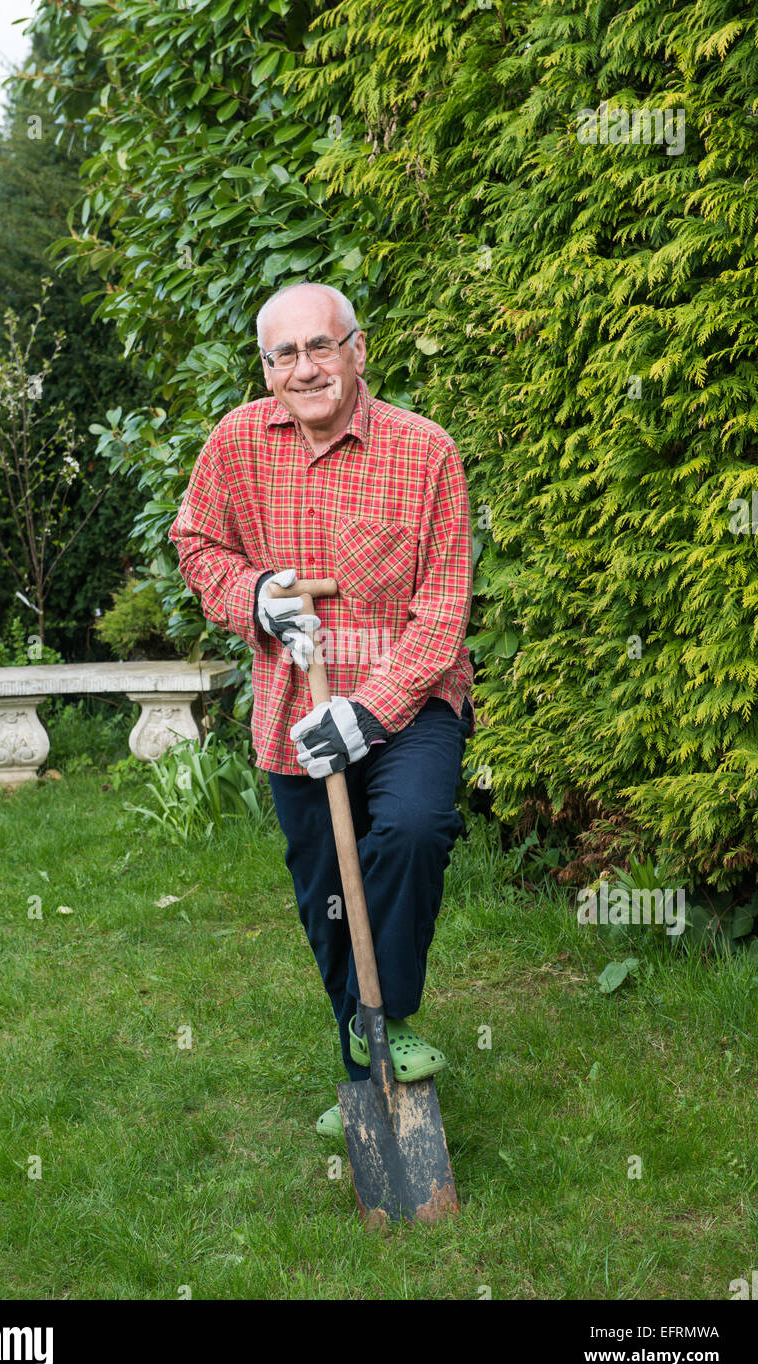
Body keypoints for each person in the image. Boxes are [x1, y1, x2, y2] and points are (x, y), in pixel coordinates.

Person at [168, 281, 475, 1136]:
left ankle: (385, 1021)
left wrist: (369, 713)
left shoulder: (426, 454)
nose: (304, 368)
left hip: (410, 700)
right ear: (266, 369)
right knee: (327, 900)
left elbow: (442, 612)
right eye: (284, 354)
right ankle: (363, 1057)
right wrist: (252, 593)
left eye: (320, 346)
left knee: (411, 831)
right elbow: (195, 542)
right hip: (292, 708)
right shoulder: (234, 445)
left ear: (357, 350)